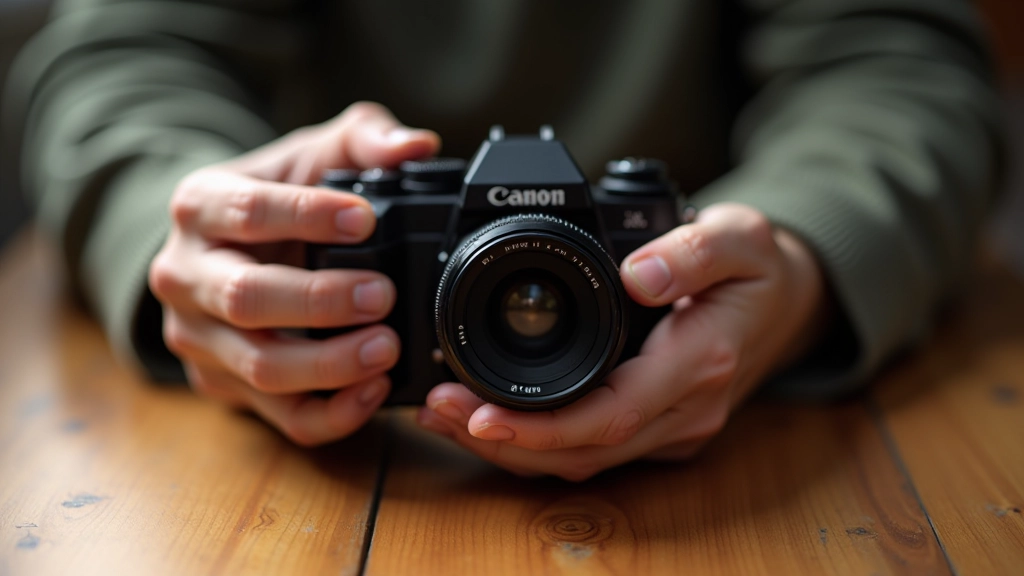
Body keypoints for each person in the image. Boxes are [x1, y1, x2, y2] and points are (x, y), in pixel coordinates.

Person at [3, 0, 1003, 480]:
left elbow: (897, 62)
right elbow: (119, 58)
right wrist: (212, 250)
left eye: (535, 295)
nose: (525, 297)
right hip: (326, 388)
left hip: (715, 334)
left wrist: (796, 260)